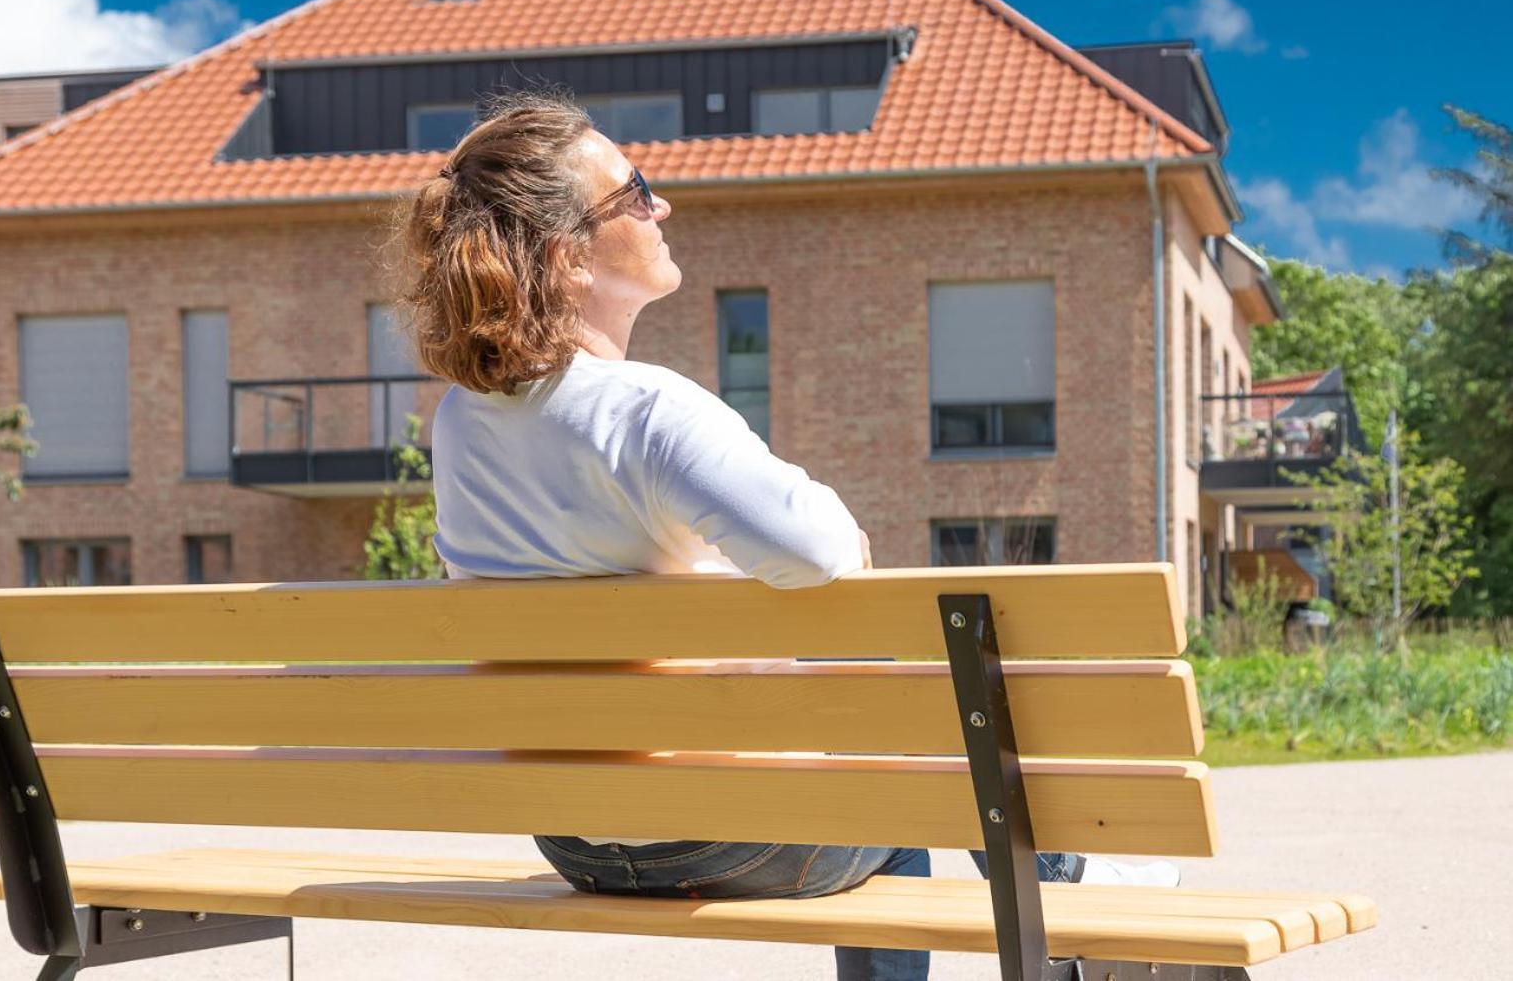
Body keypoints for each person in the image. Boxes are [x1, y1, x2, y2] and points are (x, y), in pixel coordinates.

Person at [400, 92, 1174, 981]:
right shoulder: (646, 408)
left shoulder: (459, 423)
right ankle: (1080, 895)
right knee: (882, 701)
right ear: (568, 255)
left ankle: (1079, 890)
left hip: (574, 834)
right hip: (727, 836)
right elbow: (826, 552)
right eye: (636, 191)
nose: (661, 207)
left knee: (871, 742)